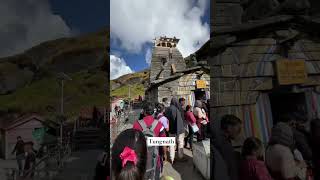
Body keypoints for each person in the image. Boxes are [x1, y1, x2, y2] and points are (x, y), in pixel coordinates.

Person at [133, 102, 166, 180]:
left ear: (143, 111)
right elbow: (163, 142)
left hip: (141, 160)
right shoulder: (159, 124)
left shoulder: (136, 124)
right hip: (155, 159)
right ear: (153, 112)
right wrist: (165, 154)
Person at [213, 114, 242, 180]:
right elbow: (231, 169)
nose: (239, 131)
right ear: (229, 127)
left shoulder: (221, 140)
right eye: (238, 128)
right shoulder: (224, 144)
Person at [165, 98, 188, 164]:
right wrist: (179, 131)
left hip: (170, 131)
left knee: (171, 144)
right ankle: (180, 156)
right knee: (180, 143)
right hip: (178, 130)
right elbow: (179, 122)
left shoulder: (167, 109)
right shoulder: (177, 110)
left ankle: (172, 159)